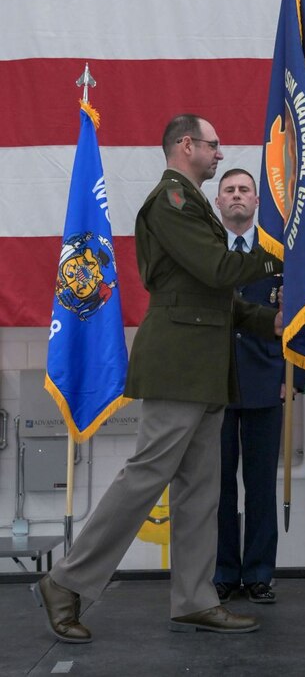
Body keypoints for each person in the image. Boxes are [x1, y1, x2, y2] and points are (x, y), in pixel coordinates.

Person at [32, 114, 283, 642]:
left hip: (204, 367)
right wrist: (282, 258)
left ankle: (194, 598)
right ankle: (66, 581)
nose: (219, 154)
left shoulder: (192, 206)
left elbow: (217, 298)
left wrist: (271, 321)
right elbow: (218, 270)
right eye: (213, 146)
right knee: (145, 478)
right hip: (178, 365)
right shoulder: (170, 202)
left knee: (200, 491)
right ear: (186, 145)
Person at [213, 168, 284, 605]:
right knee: (217, 486)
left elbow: (301, 319)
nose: (237, 196)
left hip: (265, 382)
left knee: (260, 485)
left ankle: (259, 573)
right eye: (229, 190)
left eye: (244, 190)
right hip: (214, 383)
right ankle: (222, 572)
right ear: (218, 202)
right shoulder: (204, 249)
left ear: (257, 202)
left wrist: (293, 380)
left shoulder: (278, 252)